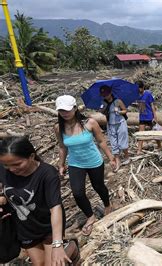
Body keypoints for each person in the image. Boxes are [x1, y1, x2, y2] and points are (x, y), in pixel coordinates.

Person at [0, 137, 71, 265]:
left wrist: (57, 244)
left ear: (31, 156)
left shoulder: (47, 173)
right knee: (39, 264)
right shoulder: (3, 169)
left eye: (17, 164)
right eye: (6, 165)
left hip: (48, 225)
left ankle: (72, 249)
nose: (11, 169)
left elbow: (55, 207)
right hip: (25, 228)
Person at [55, 95, 115, 236]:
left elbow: (101, 141)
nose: (64, 113)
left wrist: (111, 158)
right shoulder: (59, 128)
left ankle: (107, 205)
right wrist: (61, 164)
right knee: (77, 192)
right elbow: (62, 147)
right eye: (61, 110)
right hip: (76, 163)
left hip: (94, 161)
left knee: (98, 186)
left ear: (75, 108)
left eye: (67, 109)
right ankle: (90, 216)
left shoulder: (90, 123)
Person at [99, 85, 130, 169]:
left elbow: (125, 110)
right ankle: (118, 160)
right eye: (103, 95)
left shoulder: (118, 101)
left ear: (110, 93)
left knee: (122, 140)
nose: (105, 96)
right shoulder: (103, 103)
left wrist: (119, 111)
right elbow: (102, 112)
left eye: (106, 94)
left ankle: (127, 157)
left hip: (120, 123)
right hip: (110, 124)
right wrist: (103, 111)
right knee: (113, 142)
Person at [135, 81, 160, 155]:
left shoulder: (148, 94)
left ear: (143, 87)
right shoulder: (137, 95)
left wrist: (154, 116)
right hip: (142, 117)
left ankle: (159, 146)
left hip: (149, 116)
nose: (138, 90)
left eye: (139, 88)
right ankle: (139, 149)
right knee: (141, 134)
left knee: (155, 133)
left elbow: (152, 105)